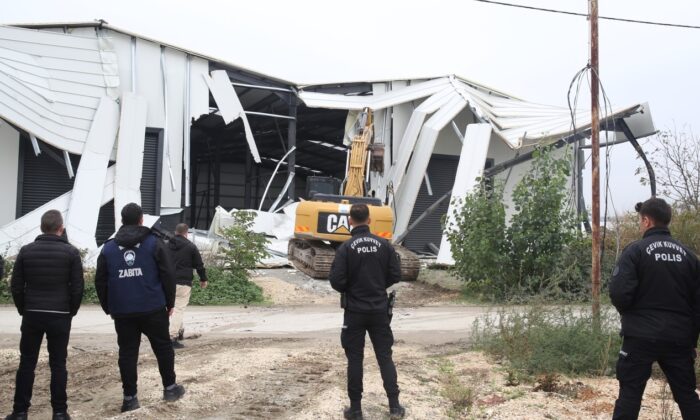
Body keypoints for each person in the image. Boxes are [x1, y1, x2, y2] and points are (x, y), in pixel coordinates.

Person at [609, 197, 700, 419]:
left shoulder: (635, 251)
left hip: (639, 337)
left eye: (641, 221)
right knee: (687, 396)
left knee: (630, 394)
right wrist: (692, 339)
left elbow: (619, 293)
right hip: (679, 338)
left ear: (647, 221)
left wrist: (632, 317)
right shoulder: (689, 257)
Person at [95, 203, 185, 413]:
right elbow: (168, 274)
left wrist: (109, 307)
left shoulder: (108, 248)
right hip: (152, 306)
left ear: (122, 220)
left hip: (123, 311)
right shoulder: (154, 243)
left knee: (127, 353)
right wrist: (170, 303)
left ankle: (129, 399)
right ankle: (170, 389)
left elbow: (100, 281)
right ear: (142, 220)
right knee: (163, 348)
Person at [5, 210, 84, 420]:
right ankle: (59, 412)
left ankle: (20, 411)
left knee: (27, 363)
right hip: (60, 314)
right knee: (58, 364)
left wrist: (24, 308)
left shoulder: (26, 251)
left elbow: (16, 285)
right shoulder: (71, 253)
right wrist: (70, 311)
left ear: (42, 227)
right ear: (61, 228)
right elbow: (77, 288)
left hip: (32, 313)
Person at [329, 203, 405, 420]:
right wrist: (378, 286)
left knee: (355, 359)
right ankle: (394, 407)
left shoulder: (345, 248)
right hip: (380, 309)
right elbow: (395, 275)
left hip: (354, 311)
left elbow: (336, 280)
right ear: (369, 220)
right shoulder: (384, 245)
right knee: (384, 357)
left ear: (350, 221)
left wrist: (351, 289)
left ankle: (355, 409)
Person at [167, 223, 207, 348]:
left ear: (175, 232)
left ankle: (179, 331)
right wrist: (203, 279)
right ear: (186, 233)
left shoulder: (166, 246)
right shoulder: (191, 247)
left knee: (172, 308)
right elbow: (199, 265)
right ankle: (172, 337)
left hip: (167, 282)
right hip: (183, 282)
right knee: (178, 309)